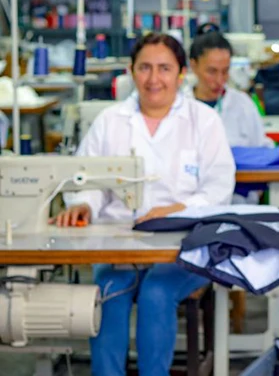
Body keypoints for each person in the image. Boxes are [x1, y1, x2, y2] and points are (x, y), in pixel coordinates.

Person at [51, 32, 236, 376]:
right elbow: (86, 180)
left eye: (164, 68)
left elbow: (219, 188)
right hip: (119, 243)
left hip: (184, 245)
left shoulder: (204, 121)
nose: (154, 79)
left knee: (156, 292)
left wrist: (177, 211)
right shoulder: (110, 121)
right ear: (131, 71)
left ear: (181, 73)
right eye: (145, 68)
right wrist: (85, 205)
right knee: (109, 292)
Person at [187, 23, 273, 147]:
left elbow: (261, 147)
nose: (219, 80)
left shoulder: (243, 105)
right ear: (194, 65)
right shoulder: (178, 106)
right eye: (212, 71)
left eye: (225, 71)